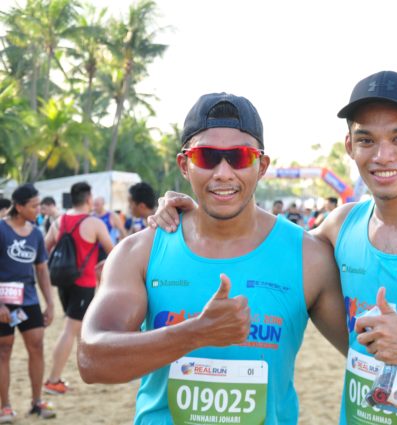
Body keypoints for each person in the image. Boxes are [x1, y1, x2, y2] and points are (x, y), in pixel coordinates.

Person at [152, 72, 397, 423]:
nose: (382, 155)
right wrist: (196, 210)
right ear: (350, 146)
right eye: (367, 140)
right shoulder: (340, 229)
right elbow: (263, 239)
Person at [77, 92, 346, 424]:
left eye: (239, 157)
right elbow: (91, 360)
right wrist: (195, 334)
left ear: (261, 166)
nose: (223, 172)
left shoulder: (308, 256)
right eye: (206, 157)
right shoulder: (141, 251)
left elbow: (369, 355)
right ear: (184, 165)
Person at [43, 182, 113, 395]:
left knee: (79, 328)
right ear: (89, 199)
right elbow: (114, 251)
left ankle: (86, 368)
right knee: (70, 329)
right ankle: (53, 380)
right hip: (83, 283)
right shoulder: (94, 223)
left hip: (63, 282)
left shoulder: (59, 221)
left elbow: (45, 248)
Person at [0, 184, 56, 420]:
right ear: (19, 207)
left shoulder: (36, 233)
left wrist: (50, 303)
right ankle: (5, 407)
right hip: (2, 301)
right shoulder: (1, 229)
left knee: (37, 346)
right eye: (34, 206)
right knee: (4, 350)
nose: (38, 209)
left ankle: (37, 402)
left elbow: (42, 270)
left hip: (28, 300)